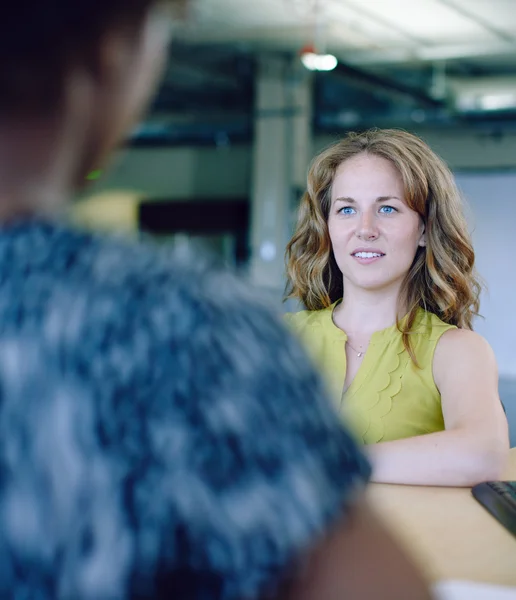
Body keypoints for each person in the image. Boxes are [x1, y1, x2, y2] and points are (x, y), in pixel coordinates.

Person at [0, 2, 433, 599]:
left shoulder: (445, 347)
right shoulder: (185, 327)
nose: (365, 229)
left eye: (387, 209)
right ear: (113, 49)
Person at [285, 129, 509, 487]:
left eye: (387, 208)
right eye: (346, 209)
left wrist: (332, 464)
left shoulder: (457, 351)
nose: (365, 229)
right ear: (328, 227)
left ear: (423, 230)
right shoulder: (279, 338)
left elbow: (484, 455)